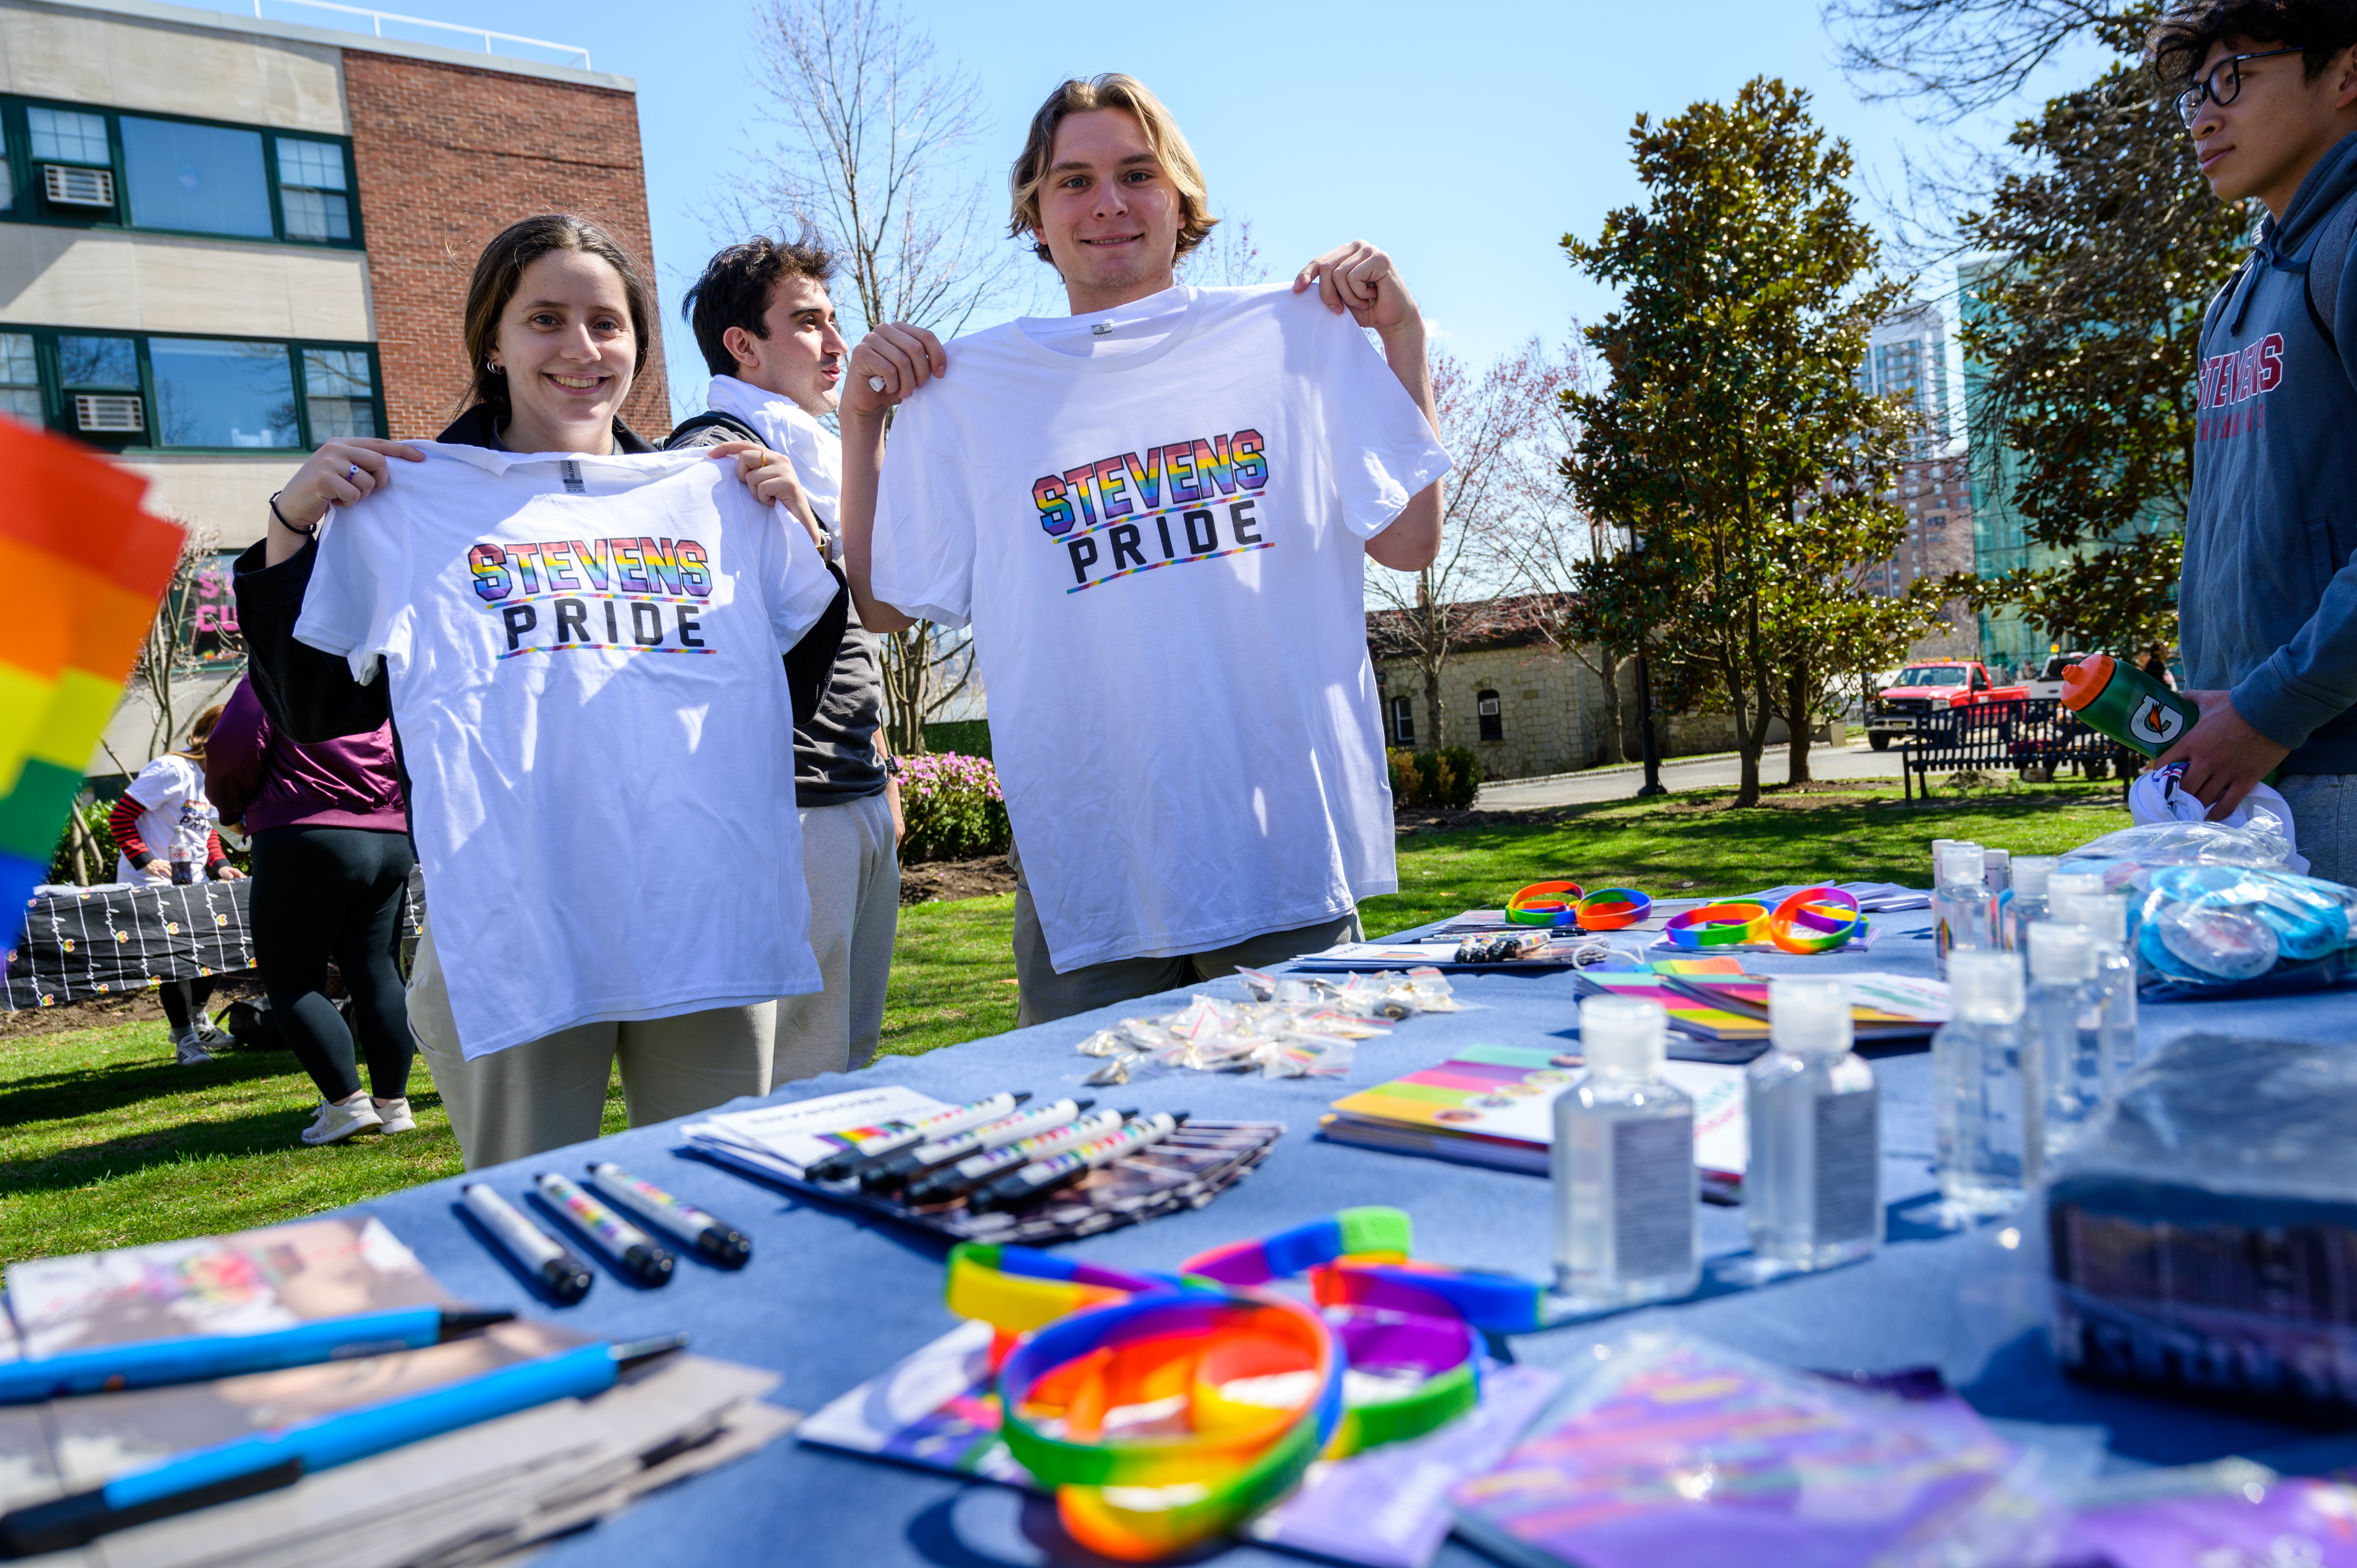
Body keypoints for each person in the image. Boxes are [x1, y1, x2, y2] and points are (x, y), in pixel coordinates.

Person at [233, 212, 845, 1168]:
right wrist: (286, 534)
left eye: (607, 323)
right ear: (493, 339)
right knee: (529, 1221)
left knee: (722, 1200)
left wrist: (803, 536)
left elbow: (784, 700)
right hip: (517, 931)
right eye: (546, 319)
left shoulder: (713, 496)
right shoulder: (413, 502)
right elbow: (318, 714)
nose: (581, 347)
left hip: (702, 920)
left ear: (639, 346)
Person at [839, 74, 1450, 1025]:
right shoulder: (972, 392)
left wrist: (1402, 335)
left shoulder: (1293, 340)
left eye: (1137, 172)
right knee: (1102, 1156)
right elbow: (880, 607)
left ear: (1182, 198)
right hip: (1093, 872)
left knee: (1306, 1131)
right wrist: (860, 424)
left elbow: (1410, 540)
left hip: (1278, 849)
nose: (1109, 203)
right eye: (1073, 180)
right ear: (1034, 212)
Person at [673, 237, 905, 1079]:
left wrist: (882, 771)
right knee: (799, 1070)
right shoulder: (715, 455)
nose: (838, 345)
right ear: (743, 345)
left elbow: (858, 623)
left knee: (850, 1053)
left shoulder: (814, 452)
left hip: (853, 790)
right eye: (809, 323)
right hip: (791, 806)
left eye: (835, 321)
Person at [2150, 1, 2357, 883]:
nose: (2203, 113)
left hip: (2336, 765)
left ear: (2347, 75)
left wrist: (2272, 706)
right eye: (2194, 91)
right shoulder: (2234, 299)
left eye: (2233, 79)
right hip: (2254, 778)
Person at [205, 675, 415, 1145]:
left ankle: (346, 1104)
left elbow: (230, 750)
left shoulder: (274, 670)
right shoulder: (379, 672)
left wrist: (231, 811)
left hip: (305, 832)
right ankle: (393, 1104)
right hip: (389, 835)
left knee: (291, 979)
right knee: (379, 970)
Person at [109, 704, 244, 1064]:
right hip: (152, 883)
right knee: (175, 962)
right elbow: (121, 816)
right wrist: (146, 860)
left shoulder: (214, 776)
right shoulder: (172, 769)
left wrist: (222, 866)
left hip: (195, 883)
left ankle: (197, 1020)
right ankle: (186, 1040)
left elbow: (206, 834)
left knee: (218, 950)